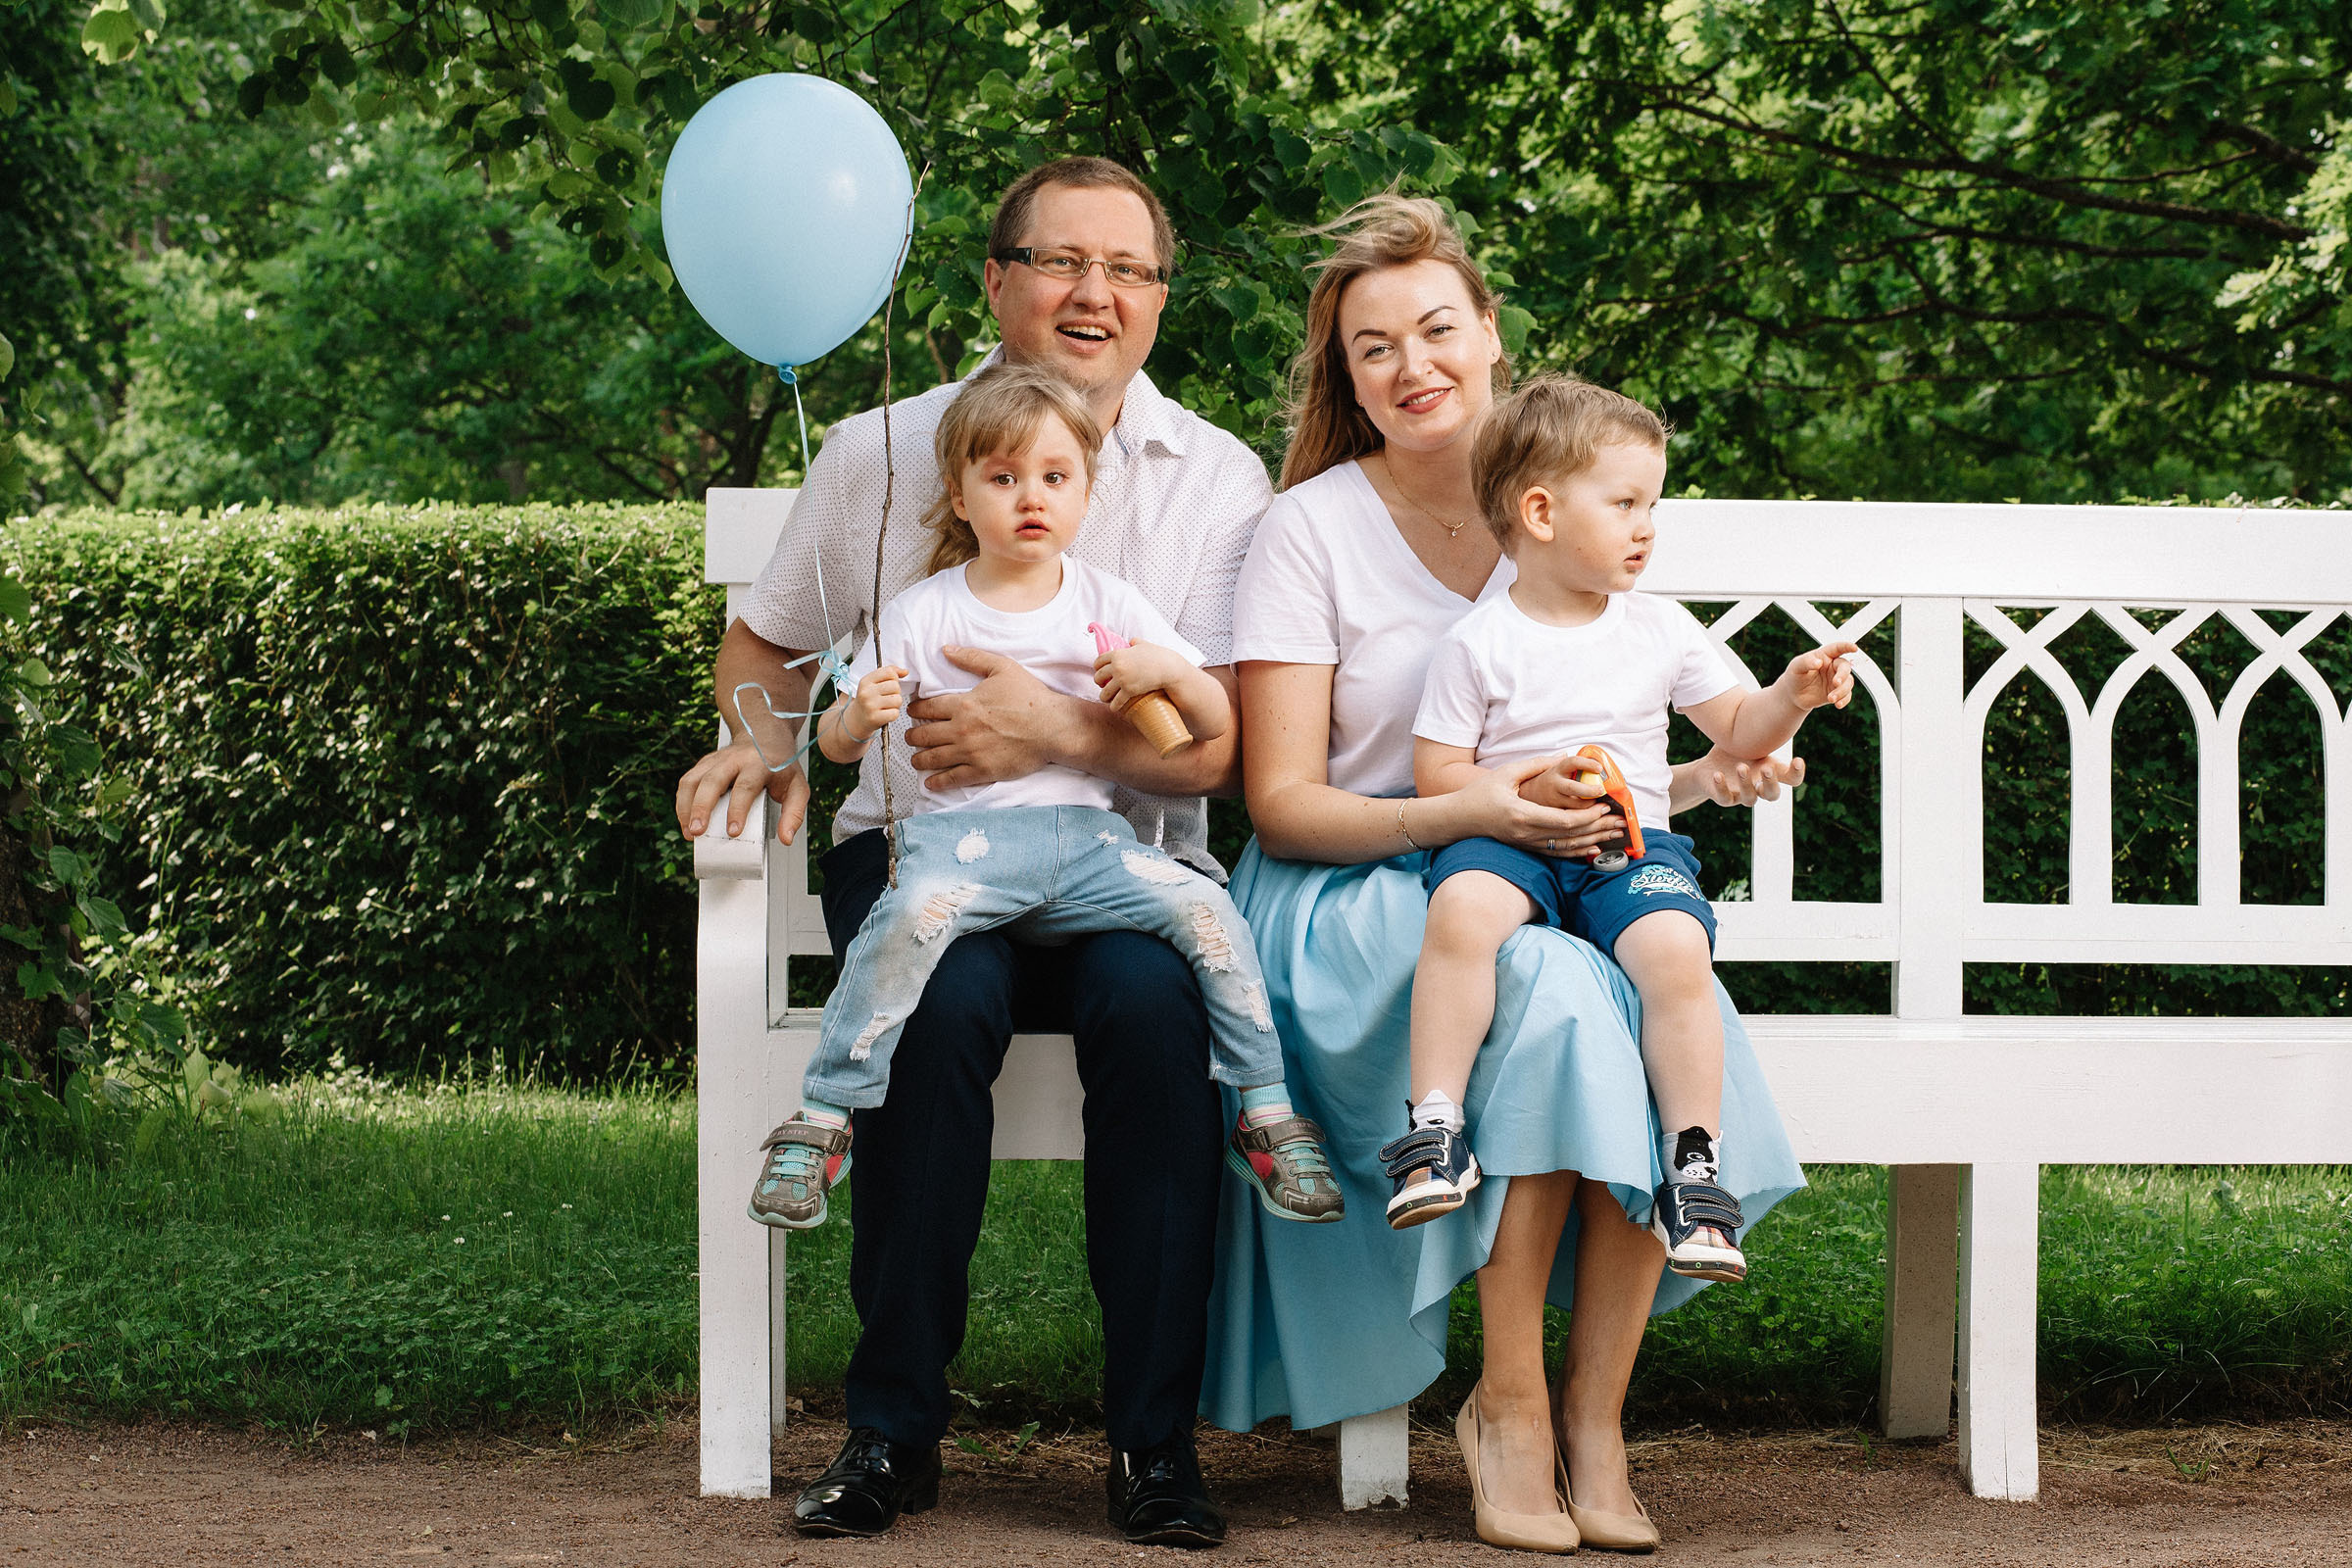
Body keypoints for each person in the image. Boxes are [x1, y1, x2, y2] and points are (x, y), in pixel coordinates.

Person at [676, 157, 1272, 1547]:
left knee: (1153, 1008)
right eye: (1062, 262)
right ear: (996, 280)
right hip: (920, 858)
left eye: (1129, 270)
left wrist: (1054, 733)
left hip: (1123, 868)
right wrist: (768, 740)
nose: (1094, 294)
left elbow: (1218, 751)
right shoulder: (879, 453)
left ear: (1159, 301)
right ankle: (890, 1432)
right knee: (938, 1008)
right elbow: (767, 645)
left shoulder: (1214, 481)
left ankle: (1152, 1447)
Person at [1202, 196, 1805, 1554]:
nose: (1411, 366)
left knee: (1642, 980)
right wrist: (1477, 812)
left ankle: (1599, 1416)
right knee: (1561, 989)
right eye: (1371, 349)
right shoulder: (1308, 530)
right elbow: (1287, 805)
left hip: (1552, 874)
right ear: (1344, 380)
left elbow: (1616, 744)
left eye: (1435, 329)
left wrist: (1725, 774)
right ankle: (1517, 1408)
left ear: (1489, 335)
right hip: (1360, 894)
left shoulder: (1574, 508)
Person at [747, 363, 1341, 1232]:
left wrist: (1172, 671)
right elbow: (838, 744)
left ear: (1086, 494)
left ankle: (1267, 1110)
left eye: (1055, 478)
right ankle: (825, 1119)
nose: (1032, 498)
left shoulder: (1111, 605)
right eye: (1003, 477)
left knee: (1210, 918)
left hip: (1092, 853)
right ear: (960, 496)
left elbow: (1214, 726)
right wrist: (854, 716)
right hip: (961, 854)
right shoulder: (924, 611)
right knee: (900, 928)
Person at [1396, 376, 1854, 1287]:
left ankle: (1693, 1169)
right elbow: (1438, 779)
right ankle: (1435, 1128)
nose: (1648, 525)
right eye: (1626, 504)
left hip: (1630, 847)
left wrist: (1790, 698)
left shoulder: (1660, 630)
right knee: (1460, 916)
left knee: (1678, 950)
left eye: (1653, 504)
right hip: (1509, 838)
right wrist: (1522, 787)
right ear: (1540, 512)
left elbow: (1740, 731)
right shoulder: (1479, 643)